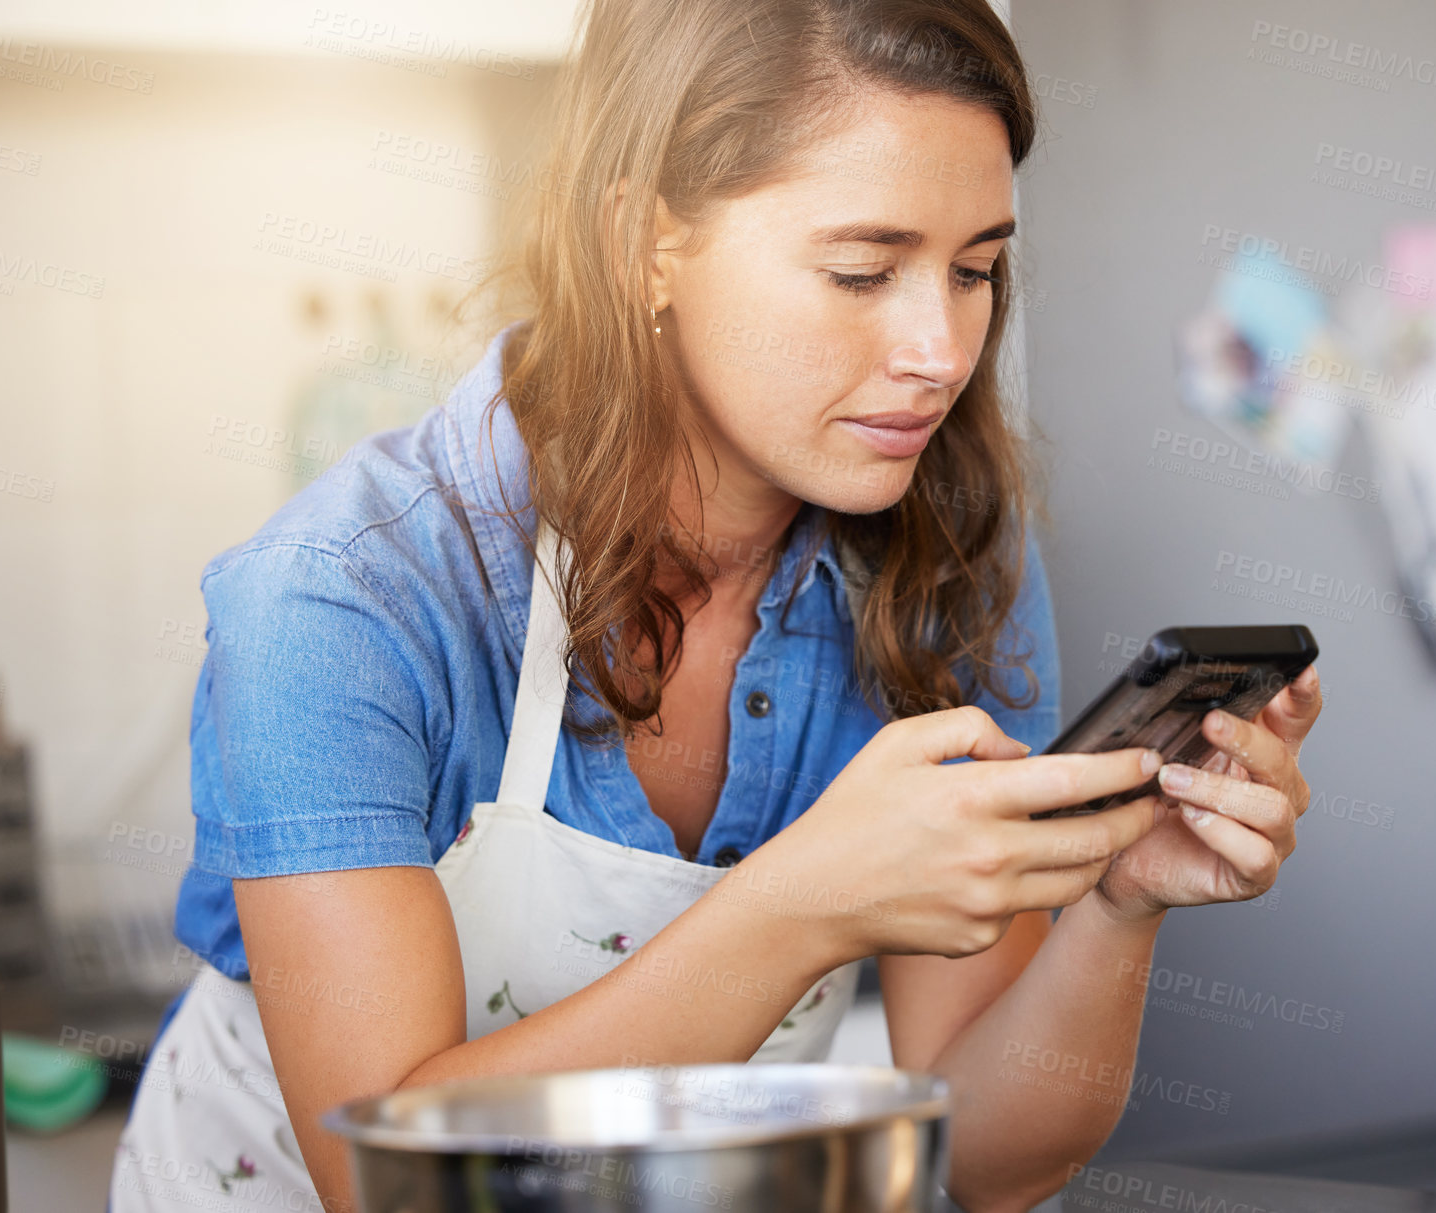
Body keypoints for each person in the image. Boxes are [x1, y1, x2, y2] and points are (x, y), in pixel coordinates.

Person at [110, 1, 1324, 1210]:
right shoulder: (343, 601)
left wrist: (1118, 905)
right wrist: (804, 901)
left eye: (974, 271)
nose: (940, 350)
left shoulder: (953, 557)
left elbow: (987, 1160)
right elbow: (396, 1186)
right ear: (646, 239)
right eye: (862, 270)